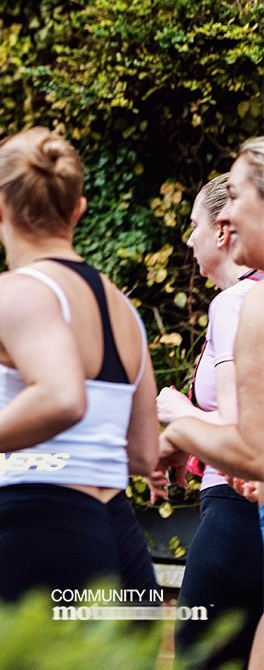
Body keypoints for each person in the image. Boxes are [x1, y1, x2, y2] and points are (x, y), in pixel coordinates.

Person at [0, 126, 161, 603]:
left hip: (44, 540)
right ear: (78, 209)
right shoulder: (122, 309)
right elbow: (144, 454)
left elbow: (63, 398)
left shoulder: (19, 289)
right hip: (123, 550)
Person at [160, 138, 264, 670]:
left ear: (223, 229)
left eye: (195, 226)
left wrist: (178, 419)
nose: (190, 239)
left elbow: (239, 433)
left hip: (233, 520)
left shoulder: (235, 304)